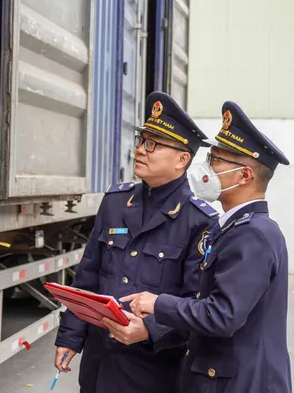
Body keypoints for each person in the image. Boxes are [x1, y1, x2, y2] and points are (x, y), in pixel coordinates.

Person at [120, 101, 293, 393]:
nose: (206, 167)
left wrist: (158, 303)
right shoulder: (232, 227)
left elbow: (222, 315)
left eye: (216, 160)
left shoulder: (253, 234)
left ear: (244, 176)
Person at [53, 92, 219, 393]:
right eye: (142, 140)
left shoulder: (198, 221)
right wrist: (71, 336)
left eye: (153, 144)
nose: (140, 150)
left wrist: (149, 330)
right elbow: (87, 278)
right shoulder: (116, 202)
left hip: (151, 372)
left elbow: (196, 305)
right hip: (99, 366)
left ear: (182, 159)